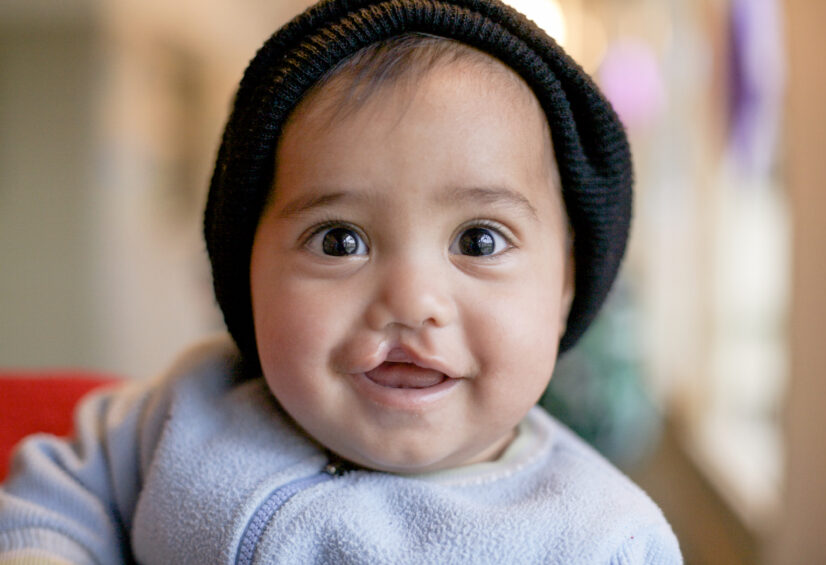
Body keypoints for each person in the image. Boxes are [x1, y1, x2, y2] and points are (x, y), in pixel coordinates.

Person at [0, 0, 682, 562]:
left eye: (479, 239)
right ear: (247, 270)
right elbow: (60, 496)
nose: (412, 300)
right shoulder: (187, 406)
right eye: (340, 240)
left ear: (566, 287)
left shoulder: (599, 537)